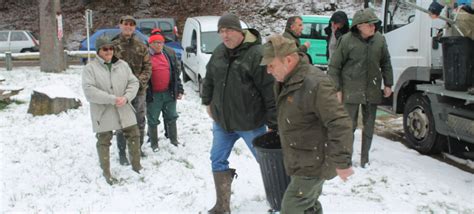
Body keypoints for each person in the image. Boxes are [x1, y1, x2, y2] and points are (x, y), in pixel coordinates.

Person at [261, 34, 354, 214]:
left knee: (292, 206)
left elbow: (339, 122)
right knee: (308, 204)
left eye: (271, 65)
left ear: (288, 60)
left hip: (314, 161)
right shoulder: (286, 79)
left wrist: (342, 162)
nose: (268, 71)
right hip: (300, 157)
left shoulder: (315, 83)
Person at [201, 13, 277, 213]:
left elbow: (270, 91)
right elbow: (209, 78)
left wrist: (273, 123)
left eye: (229, 30)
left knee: (269, 162)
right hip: (223, 122)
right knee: (217, 159)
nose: (225, 36)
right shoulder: (219, 52)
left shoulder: (257, 54)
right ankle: (222, 205)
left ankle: (281, 201)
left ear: (240, 31)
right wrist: (207, 101)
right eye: (221, 32)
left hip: (250, 122)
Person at [328, 8, 393, 168]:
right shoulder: (346, 40)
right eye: (370, 24)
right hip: (350, 90)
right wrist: (337, 89)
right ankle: (346, 160)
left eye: (374, 24)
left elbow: (386, 62)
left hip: (372, 89)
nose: (373, 27)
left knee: (369, 127)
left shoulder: (379, 40)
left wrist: (388, 83)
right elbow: (334, 67)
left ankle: (365, 160)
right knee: (348, 127)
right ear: (359, 26)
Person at [82, 36, 142, 185]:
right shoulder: (90, 68)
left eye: (111, 48)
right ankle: (106, 172)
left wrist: (127, 97)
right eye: (105, 49)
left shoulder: (123, 65)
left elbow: (133, 82)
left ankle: (137, 166)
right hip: (103, 111)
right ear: (98, 51)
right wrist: (112, 99)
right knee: (103, 140)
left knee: (134, 134)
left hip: (124, 108)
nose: (109, 51)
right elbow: (89, 91)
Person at [112, 15, 152, 164]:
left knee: (140, 121)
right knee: (121, 123)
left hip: (139, 92)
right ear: (120, 25)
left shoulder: (141, 46)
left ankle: (137, 149)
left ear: (134, 27)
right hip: (121, 92)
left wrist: (138, 83)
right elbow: (108, 68)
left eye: (131, 25)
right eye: (125, 24)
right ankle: (122, 153)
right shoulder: (113, 46)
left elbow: (148, 67)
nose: (128, 27)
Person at [146, 29, 184, 151]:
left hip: (168, 92)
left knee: (172, 116)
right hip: (154, 95)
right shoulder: (145, 57)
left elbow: (175, 74)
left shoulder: (168, 55)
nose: (158, 45)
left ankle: (173, 140)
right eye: (155, 42)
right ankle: (154, 143)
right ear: (150, 44)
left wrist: (179, 89)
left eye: (161, 42)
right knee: (153, 119)